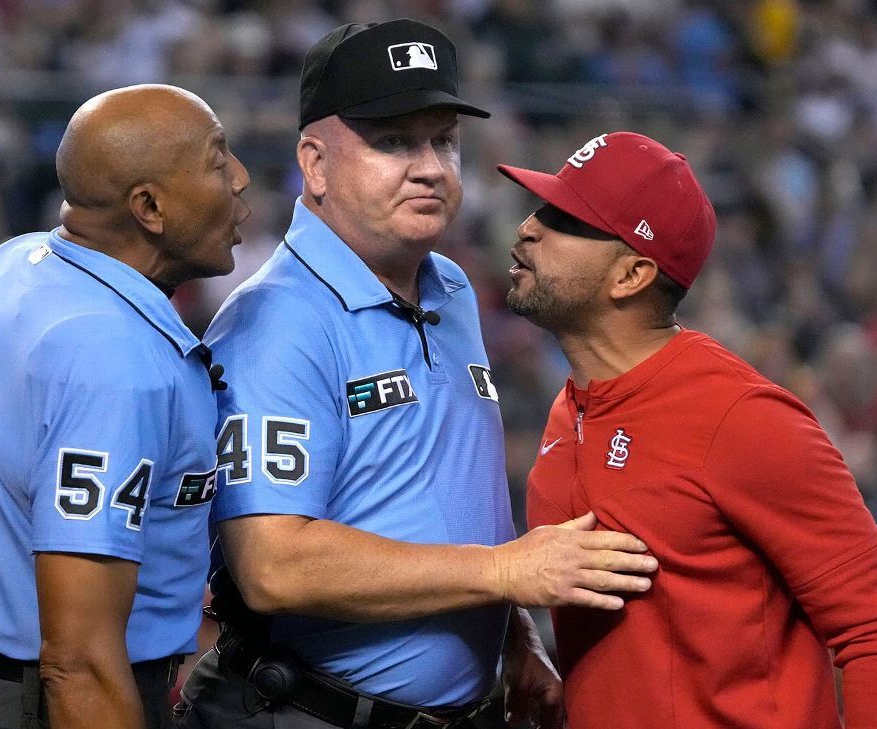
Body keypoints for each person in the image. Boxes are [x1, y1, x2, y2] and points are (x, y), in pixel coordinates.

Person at [178, 19, 658, 729]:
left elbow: (442, 497)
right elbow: (274, 563)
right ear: (315, 163)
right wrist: (504, 572)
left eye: (443, 140)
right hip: (307, 709)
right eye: (393, 141)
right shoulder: (278, 323)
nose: (430, 165)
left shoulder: (453, 290)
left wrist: (513, 634)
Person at [498, 131, 877, 728]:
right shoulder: (569, 410)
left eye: (564, 218)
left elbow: (875, 629)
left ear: (632, 275)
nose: (527, 228)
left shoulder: (740, 417)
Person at [0, 84, 250, 729]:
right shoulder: (116, 365)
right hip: (58, 702)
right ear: (149, 207)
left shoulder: (16, 261)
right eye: (217, 161)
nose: (240, 179)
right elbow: (79, 660)